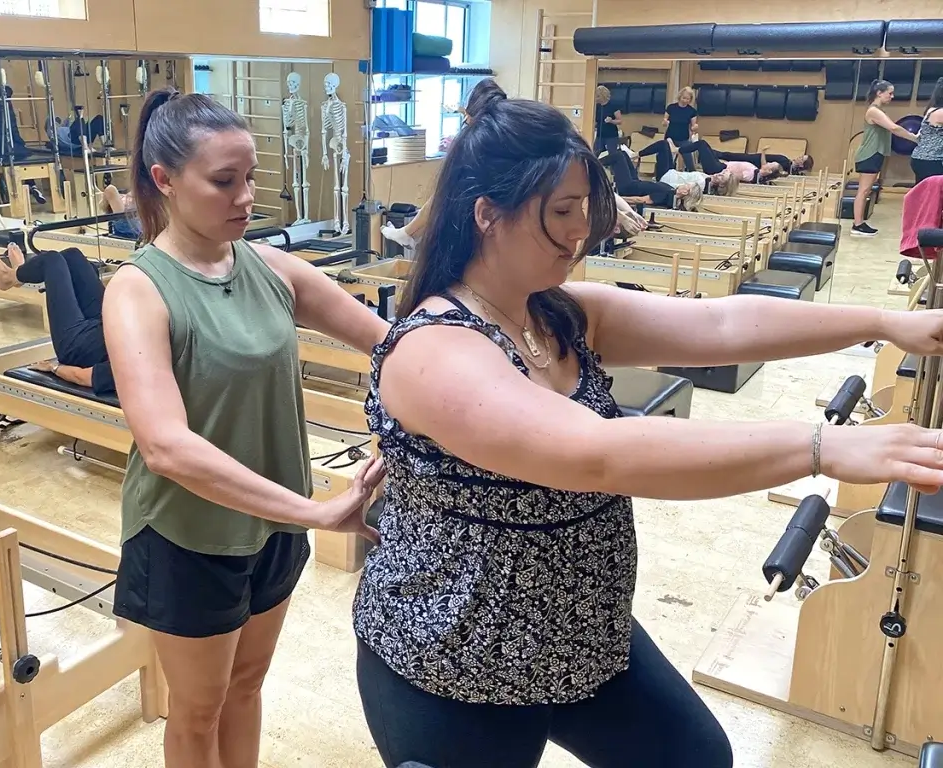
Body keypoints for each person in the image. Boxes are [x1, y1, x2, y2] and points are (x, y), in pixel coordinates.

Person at [350, 79, 943, 768]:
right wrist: (821, 446)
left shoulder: (554, 311)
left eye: (585, 207)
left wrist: (883, 323)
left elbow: (719, 322)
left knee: (695, 757)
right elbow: (598, 454)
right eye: (562, 210)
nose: (582, 230)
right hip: (456, 656)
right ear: (488, 214)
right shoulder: (435, 351)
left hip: (577, 628)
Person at [101, 88, 389, 768]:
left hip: (273, 531)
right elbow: (166, 446)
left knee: (247, 685)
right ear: (165, 181)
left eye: (251, 178)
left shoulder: (273, 270)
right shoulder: (139, 290)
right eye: (224, 181)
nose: (246, 197)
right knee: (197, 712)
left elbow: (396, 344)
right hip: (189, 538)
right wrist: (314, 511)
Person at [0, 243, 115, 397]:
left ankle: (8, 277)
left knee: (51, 261)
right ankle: (18, 274)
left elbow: (83, 377)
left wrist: (53, 368)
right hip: (106, 327)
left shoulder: (136, 367)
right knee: (73, 256)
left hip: (77, 344)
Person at [852, 79, 920, 237]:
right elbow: (894, 128)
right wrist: (915, 138)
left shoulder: (879, 110)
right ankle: (857, 225)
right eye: (890, 93)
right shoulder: (874, 111)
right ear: (879, 93)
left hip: (876, 153)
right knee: (863, 191)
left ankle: (859, 223)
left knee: (866, 190)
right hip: (869, 154)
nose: (892, 96)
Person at [601, 143, 703, 211]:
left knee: (618, 157)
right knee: (623, 154)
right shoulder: (671, 191)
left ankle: (591, 164)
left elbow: (640, 200)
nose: (683, 185)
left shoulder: (667, 194)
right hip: (635, 182)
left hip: (628, 187)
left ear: (685, 192)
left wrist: (616, 199)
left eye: (686, 185)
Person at [673, 138, 782, 184]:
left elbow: (733, 177)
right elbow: (763, 164)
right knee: (705, 146)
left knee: (701, 144)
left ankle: (678, 150)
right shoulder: (758, 171)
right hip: (721, 165)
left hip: (717, 169)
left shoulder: (751, 174)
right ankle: (688, 152)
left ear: (769, 171)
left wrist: (719, 174)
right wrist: (763, 152)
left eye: (770, 164)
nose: (767, 163)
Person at [910, 78, 943, 184]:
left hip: (922, 158)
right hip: (930, 160)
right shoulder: (940, 112)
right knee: (932, 196)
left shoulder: (931, 109)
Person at [663, 87, 699, 171]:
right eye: (684, 98)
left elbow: (693, 127)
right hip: (670, 138)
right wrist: (665, 122)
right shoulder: (671, 107)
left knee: (689, 161)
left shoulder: (692, 111)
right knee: (666, 159)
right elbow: (664, 121)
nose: (685, 100)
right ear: (680, 96)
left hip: (683, 139)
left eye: (687, 99)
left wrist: (695, 127)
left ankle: (693, 175)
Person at [593, 85, 623, 156]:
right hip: (600, 136)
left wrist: (611, 121)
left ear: (603, 96)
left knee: (613, 155)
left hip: (611, 136)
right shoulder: (597, 106)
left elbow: (620, 121)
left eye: (598, 96)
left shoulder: (613, 105)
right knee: (594, 154)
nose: (596, 98)